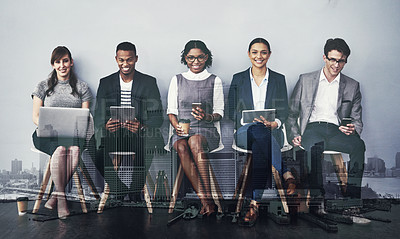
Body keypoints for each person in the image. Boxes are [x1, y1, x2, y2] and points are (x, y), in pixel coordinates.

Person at [286, 38, 365, 204]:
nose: (336, 65)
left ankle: (352, 199)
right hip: (313, 129)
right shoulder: (305, 80)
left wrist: (353, 129)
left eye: (341, 61)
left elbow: (357, 120)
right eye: (333, 60)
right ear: (325, 58)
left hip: (337, 131)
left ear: (345, 61)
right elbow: (292, 114)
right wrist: (294, 134)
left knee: (359, 146)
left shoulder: (352, 86)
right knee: (313, 149)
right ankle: (317, 198)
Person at [228, 38, 296, 227]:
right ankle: (286, 172)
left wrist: (275, 123)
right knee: (257, 130)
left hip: (271, 132)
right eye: (255, 52)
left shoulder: (279, 79)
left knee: (260, 145)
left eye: (263, 52)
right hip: (244, 132)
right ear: (249, 54)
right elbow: (229, 111)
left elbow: (284, 111)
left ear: (269, 55)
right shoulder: (238, 78)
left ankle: (254, 204)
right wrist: (246, 120)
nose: (259, 56)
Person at [94, 42, 163, 202]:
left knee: (148, 141)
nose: (125, 64)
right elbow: (98, 115)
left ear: (136, 59)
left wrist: (142, 126)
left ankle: (135, 189)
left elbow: (157, 117)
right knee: (93, 146)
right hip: (114, 135)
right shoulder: (106, 82)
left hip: (139, 135)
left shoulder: (148, 82)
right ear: (116, 59)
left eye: (129, 60)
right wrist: (106, 125)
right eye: (121, 60)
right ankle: (119, 188)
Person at [32, 46, 93, 219]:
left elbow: (85, 117)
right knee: (59, 150)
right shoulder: (43, 86)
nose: (62, 65)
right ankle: (62, 200)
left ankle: (56, 196)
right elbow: (36, 116)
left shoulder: (82, 87)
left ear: (71, 62)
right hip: (47, 134)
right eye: (58, 62)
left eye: (65, 61)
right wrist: (48, 126)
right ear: (53, 65)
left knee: (73, 150)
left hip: (73, 135)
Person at [167, 40, 224, 216]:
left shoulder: (215, 80)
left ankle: (207, 201)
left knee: (194, 141)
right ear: (185, 58)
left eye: (200, 57)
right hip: (181, 130)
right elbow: (171, 112)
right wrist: (176, 127)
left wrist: (207, 117)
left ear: (206, 57)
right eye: (191, 58)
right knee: (183, 146)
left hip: (206, 131)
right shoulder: (177, 80)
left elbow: (219, 113)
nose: (196, 61)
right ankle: (206, 201)